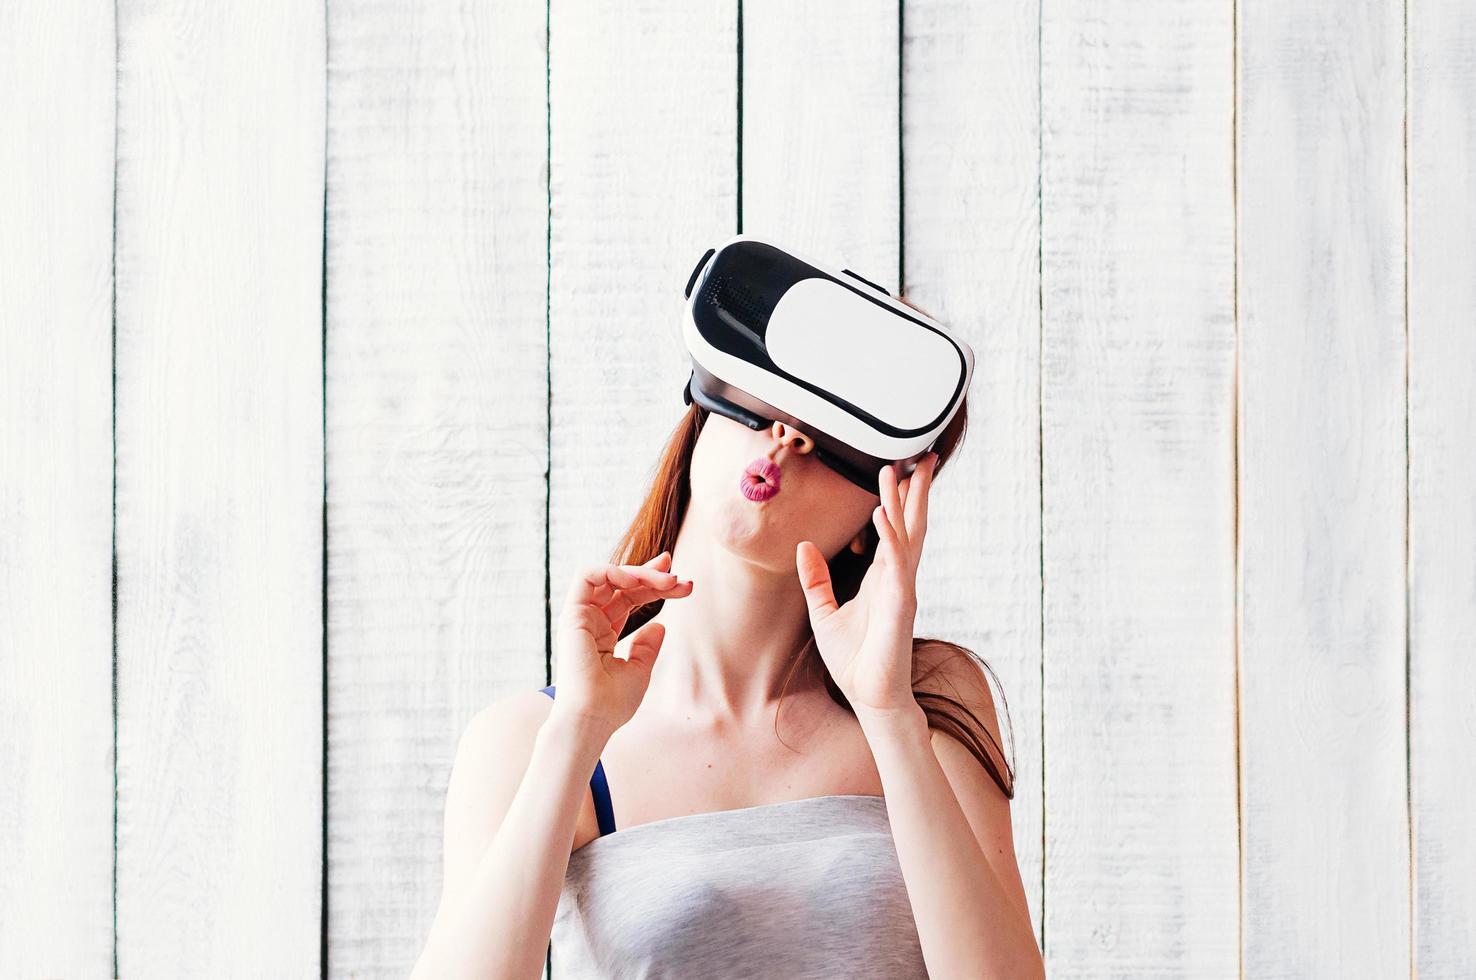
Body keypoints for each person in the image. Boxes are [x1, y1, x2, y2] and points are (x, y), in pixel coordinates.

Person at [411, 298, 1044, 979]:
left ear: (877, 513)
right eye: (775, 392)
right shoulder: (528, 735)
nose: (790, 434)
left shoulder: (929, 698)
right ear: (703, 413)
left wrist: (889, 717)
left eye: (840, 430)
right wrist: (578, 731)